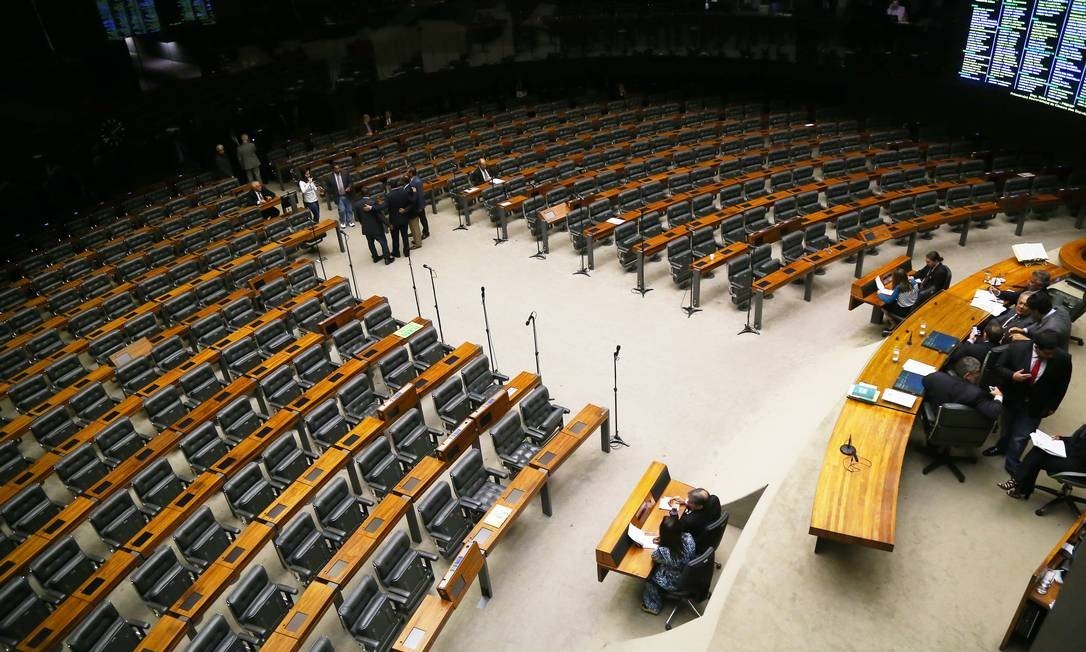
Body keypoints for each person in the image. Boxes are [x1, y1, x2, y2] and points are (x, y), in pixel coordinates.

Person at [987, 331, 1073, 480]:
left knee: (1021, 436)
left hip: (1037, 404)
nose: (1050, 356)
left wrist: (1053, 406)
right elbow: (999, 367)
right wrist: (1012, 375)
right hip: (1013, 397)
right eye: (1046, 353)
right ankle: (1001, 447)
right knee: (1006, 426)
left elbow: (1062, 384)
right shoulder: (1016, 348)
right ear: (1036, 347)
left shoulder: (1063, 359)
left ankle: (1012, 464)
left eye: (1052, 352)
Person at [1007, 425, 1086, 500]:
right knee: (1040, 450)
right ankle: (1020, 485)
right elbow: (1080, 441)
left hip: (1080, 468)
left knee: (1038, 458)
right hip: (1075, 456)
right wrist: (1062, 438)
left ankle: (1018, 483)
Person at [641, 516, 696, 615]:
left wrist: (661, 543)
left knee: (648, 576)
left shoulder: (664, 552)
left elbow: (654, 557)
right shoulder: (689, 537)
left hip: (676, 581)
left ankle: (653, 606)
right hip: (690, 573)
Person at [922, 356, 1003, 421]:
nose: (979, 374)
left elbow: (924, 381)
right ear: (967, 375)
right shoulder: (974, 393)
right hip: (954, 421)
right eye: (977, 372)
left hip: (934, 412)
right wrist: (999, 396)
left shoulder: (937, 377)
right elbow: (994, 413)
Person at [1007, 290, 1072, 351]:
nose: (1030, 315)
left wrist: (1024, 339)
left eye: (1031, 312)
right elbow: (1040, 321)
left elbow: (1045, 349)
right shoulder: (1060, 309)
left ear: (1036, 311)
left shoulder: (1050, 329)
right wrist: (1025, 330)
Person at [670, 488, 722, 553]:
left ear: (699, 506)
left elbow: (675, 529)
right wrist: (685, 502)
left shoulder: (688, 520)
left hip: (697, 544)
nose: (687, 501)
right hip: (710, 537)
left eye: (690, 502)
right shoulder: (714, 499)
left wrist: (674, 510)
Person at [354, 195, 393, 265]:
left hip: (366, 228)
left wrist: (363, 223)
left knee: (371, 243)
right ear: (369, 194)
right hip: (376, 228)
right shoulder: (372, 203)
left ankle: (375, 257)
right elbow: (380, 216)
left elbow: (357, 218)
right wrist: (388, 224)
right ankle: (387, 259)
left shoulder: (356, 204)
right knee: (383, 242)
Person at [878, 267, 918, 335]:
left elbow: (889, 300)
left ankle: (893, 324)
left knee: (883, 306)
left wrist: (880, 294)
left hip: (903, 310)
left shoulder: (899, 287)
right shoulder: (913, 282)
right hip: (913, 306)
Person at [386, 177, 415, 257]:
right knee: (405, 235)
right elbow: (412, 203)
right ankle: (406, 252)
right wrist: (405, 210)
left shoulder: (388, 196)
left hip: (394, 220)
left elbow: (385, 208)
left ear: (390, 186)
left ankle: (396, 253)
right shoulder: (404, 192)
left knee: (395, 238)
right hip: (404, 218)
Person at [324, 163, 354, 228]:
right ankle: (343, 222)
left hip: (346, 194)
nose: (337, 170)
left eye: (338, 168)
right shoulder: (329, 177)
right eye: (336, 168)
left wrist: (349, 187)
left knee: (349, 209)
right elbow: (328, 187)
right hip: (338, 196)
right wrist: (326, 191)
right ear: (333, 169)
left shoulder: (345, 173)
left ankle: (350, 221)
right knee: (342, 210)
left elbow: (350, 182)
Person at [408, 167, 429, 239]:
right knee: (416, 219)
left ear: (411, 173)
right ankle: (416, 231)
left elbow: (420, 195)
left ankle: (426, 232)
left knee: (423, 219)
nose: (407, 173)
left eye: (408, 172)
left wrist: (420, 206)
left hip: (419, 204)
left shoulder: (417, 181)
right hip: (415, 204)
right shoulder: (413, 180)